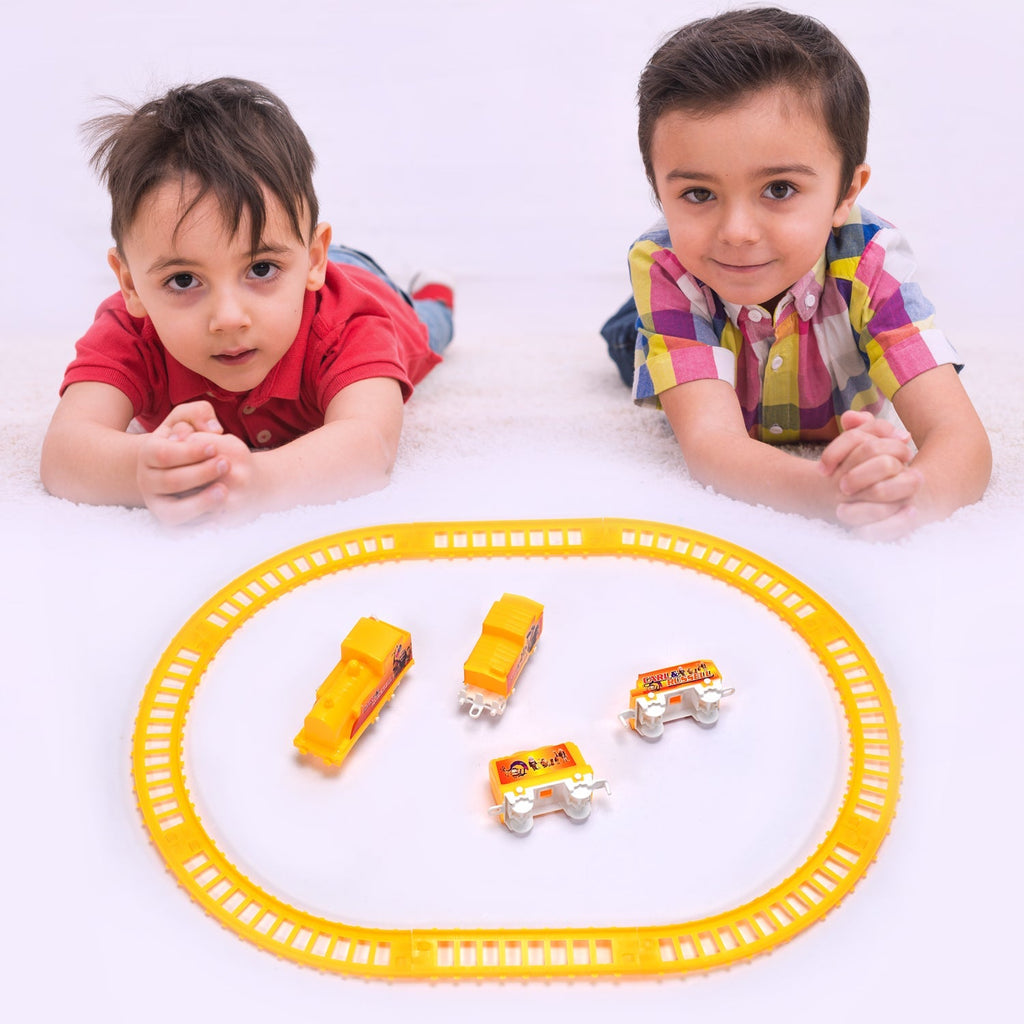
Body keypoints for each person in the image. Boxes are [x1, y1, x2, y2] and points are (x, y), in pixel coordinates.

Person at [601, 7, 990, 541]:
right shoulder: (666, 264)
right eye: (698, 193)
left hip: (813, 296)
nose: (737, 232)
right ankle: (634, 330)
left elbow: (961, 438)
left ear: (846, 193)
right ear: (657, 191)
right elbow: (713, 447)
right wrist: (826, 493)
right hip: (694, 303)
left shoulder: (872, 260)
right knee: (625, 341)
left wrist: (910, 496)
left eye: (779, 189)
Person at [40, 77, 453, 526]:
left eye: (260, 269)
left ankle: (435, 294)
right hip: (297, 255)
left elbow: (371, 445)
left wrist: (262, 479)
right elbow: (64, 452)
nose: (229, 318)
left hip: (370, 289)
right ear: (131, 286)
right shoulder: (130, 332)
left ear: (314, 259)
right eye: (183, 280)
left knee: (430, 326)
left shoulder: (351, 325)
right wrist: (140, 468)